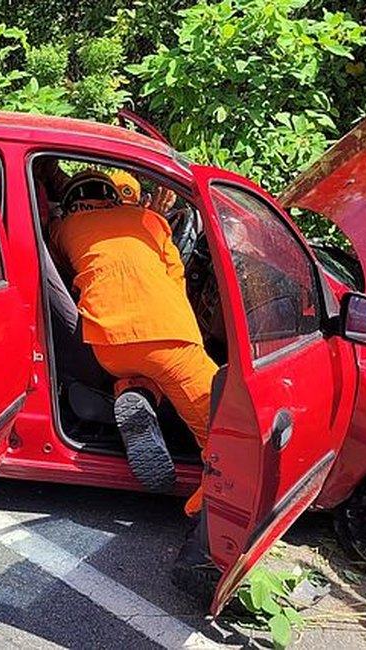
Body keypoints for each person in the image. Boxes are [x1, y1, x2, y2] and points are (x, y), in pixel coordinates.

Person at [48, 170, 218, 505]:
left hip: (107, 344)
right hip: (166, 335)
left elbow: (60, 262)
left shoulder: (64, 229)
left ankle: (135, 393)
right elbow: (177, 276)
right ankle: (212, 504)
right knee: (221, 424)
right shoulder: (151, 220)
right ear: (113, 197)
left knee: (142, 367)